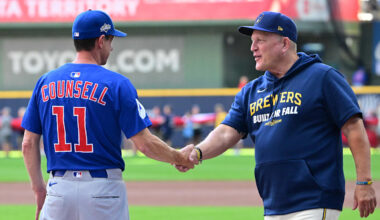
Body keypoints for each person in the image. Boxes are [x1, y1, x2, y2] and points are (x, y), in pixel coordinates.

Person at [177, 11, 377, 219]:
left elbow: (354, 127)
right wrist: (197, 152)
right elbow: (227, 133)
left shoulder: (322, 77)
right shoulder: (251, 91)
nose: (252, 48)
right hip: (274, 205)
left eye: (260, 41)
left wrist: (364, 182)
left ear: (284, 44)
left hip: (314, 200)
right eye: (252, 41)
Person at [21, 9, 193, 220]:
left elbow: (28, 144)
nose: (112, 48)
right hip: (103, 191)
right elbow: (145, 144)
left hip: (58, 189)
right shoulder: (117, 84)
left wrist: (39, 189)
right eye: (111, 40)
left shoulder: (45, 82)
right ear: (101, 40)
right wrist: (178, 157)